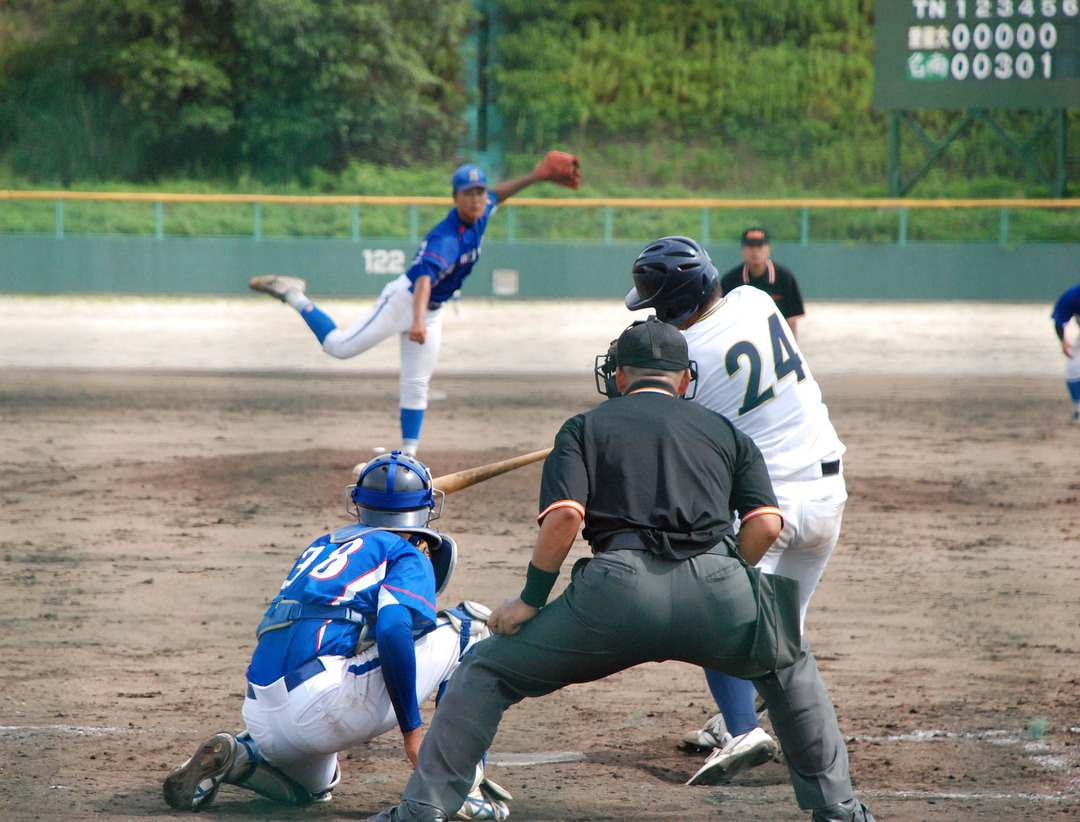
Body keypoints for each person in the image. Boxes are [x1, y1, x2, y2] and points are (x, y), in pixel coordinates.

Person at [367, 318, 875, 822]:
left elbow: (566, 517)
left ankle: (422, 810)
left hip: (613, 597)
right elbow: (766, 524)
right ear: (683, 379)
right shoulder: (724, 431)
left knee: (487, 671)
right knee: (790, 664)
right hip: (720, 591)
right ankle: (840, 810)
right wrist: (722, 574)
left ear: (620, 376)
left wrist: (531, 599)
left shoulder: (584, 428)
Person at [162, 450, 511, 821]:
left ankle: (242, 757)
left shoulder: (321, 546)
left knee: (312, 789)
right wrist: (412, 731)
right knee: (471, 628)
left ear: (357, 505)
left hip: (261, 714)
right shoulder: (405, 552)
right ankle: (459, 788)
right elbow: (393, 630)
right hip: (323, 707)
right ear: (427, 509)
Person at [625, 236, 847, 785]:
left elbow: (665, 425)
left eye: (656, 305)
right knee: (780, 632)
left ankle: (743, 728)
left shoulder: (686, 360)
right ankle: (781, 739)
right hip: (827, 496)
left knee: (714, 612)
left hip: (765, 508)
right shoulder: (756, 300)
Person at [248, 152, 580, 458]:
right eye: (469, 193)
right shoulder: (446, 237)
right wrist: (417, 321)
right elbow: (424, 280)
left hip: (430, 310)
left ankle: (408, 456)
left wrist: (535, 178)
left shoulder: (480, 212)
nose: (478, 198)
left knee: (417, 384)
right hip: (405, 301)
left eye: (480, 191)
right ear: (455, 198)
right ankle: (293, 294)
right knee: (338, 347)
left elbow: (499, 194)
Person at [720, 227, 805, 339]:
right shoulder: (730, 280)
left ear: (769, 248)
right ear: (742, 249)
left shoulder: (785, 278)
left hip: (775, 338)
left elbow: (791, 318)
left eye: (759, 246)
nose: (755, 251)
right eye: (750, 246)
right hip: (742, 339)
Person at [1050, 281, 1080, 422]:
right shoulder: (1073, 295)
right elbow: (1059, 320)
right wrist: (1063, 341)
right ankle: (1078, 407)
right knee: (1073, 367)